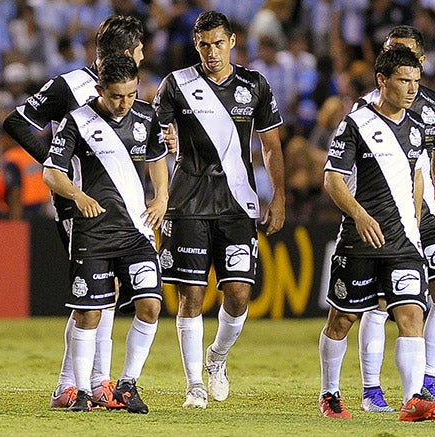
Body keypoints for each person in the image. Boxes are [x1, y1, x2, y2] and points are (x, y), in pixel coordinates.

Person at [2, 15, 145, 409]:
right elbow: (15, 122)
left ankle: (93, 382)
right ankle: (78, 383)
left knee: (106, 293)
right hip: (78, 203)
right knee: (95, 294)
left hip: (120, 205)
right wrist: (57, 164)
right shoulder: (70, 85)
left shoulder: (127, 91)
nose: (142, 57)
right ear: (124, 51)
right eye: (138, 50)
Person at [153, 10, 286, 409]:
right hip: (188, 201)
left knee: (240, 294)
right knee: (191, 296)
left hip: (237, 202)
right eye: (204, 45)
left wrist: (279, 195)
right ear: (196, 46)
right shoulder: (176, 84)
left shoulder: (254, 85)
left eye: (218, 43)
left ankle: (217, 357)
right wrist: (165, 141)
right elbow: (151, 135)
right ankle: (194, 384)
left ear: (232, 42)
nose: (212, 52)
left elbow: (271, 145)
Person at [318, 44, 435, 422]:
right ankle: (330, 392)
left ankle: (412, 400)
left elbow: (418, 176)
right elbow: (332, 179)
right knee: (342, 320)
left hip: (403, 242)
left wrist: (416, 222)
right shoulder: (355, 123)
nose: (412, 89)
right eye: (404, 81)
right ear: (382, 80)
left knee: (412, 316)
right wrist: (359, 216)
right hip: (361, 239)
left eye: (416, 81)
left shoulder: (418, 128)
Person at [42, 54, 168, 414]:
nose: (124, 103)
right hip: (93, 232)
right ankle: (83, 390)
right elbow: (51, 172)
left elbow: (157, 157)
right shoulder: (77, 122)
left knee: (150, 305)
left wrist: (162, 197)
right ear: (100, 90)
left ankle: (127, 384)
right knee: (89, 314)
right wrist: (77, 195)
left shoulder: (146, 116)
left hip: (136, 231)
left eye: (131, 94)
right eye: (116, 96)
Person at [353, 25, 435, 414]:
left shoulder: (434, 106)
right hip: (384, 215)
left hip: (425, 215)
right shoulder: (364, 108)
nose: (397, 58)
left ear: (422, 61)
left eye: (406, 53)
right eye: (390, 51)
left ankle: (426, 380)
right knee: (380, 302)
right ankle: (371, 389)